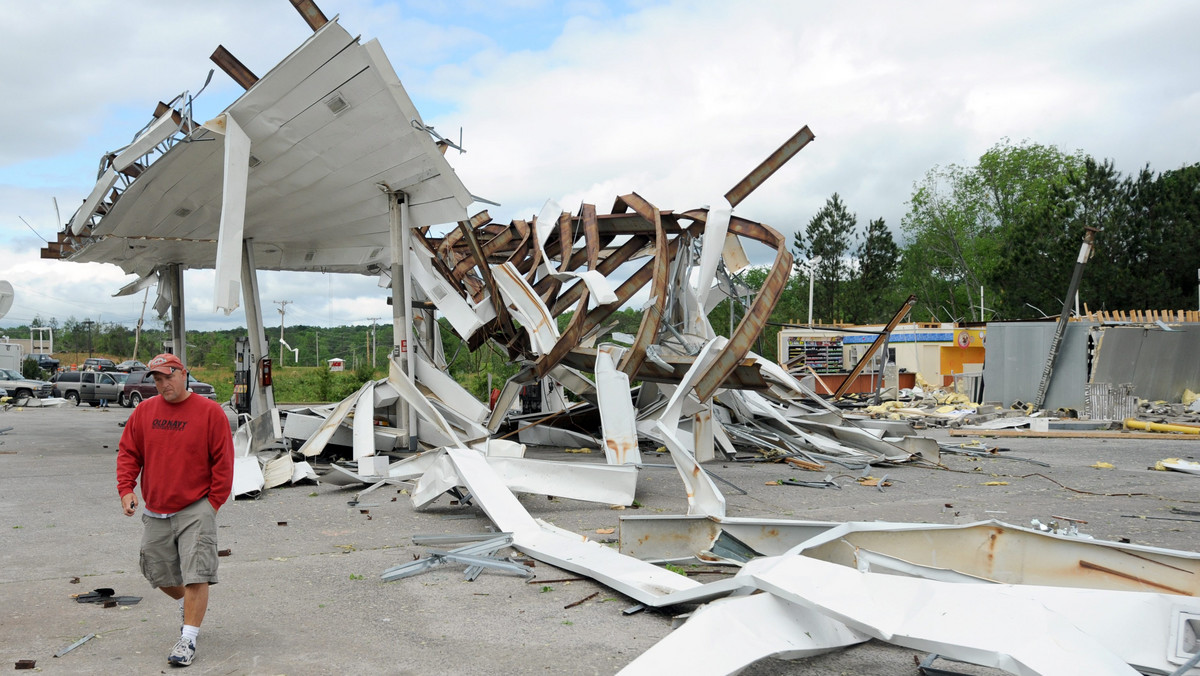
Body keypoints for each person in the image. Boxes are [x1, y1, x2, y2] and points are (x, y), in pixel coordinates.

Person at [117, 353, 234, 667]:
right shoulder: (144, 411)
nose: (162, 384)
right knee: (156, 571)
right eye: (156, 379)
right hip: (156, 507)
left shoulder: (210, 413)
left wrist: (212, 504)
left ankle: (188, 639)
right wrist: (126, 489)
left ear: (184, 374)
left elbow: (223, 463)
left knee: (198, 574)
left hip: (196, 505)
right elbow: (129, 453)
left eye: (168, 377)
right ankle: (187, 604)